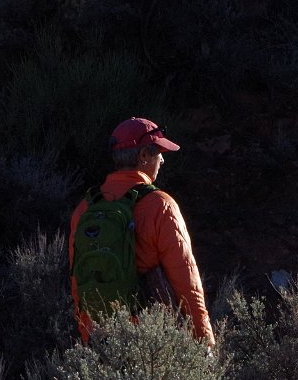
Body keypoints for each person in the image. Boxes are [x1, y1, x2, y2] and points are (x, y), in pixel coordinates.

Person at [68, 117, 215, 349]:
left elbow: (79, 283)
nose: (163, 159)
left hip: (102, 341)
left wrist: (89, 338)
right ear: (143, 155)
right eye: (158, 152)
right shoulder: (160, 205)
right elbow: (186, 280)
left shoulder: (85, 209)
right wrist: (204, 341)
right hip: (153, 346)